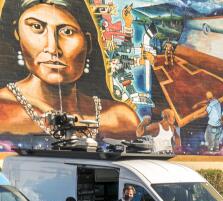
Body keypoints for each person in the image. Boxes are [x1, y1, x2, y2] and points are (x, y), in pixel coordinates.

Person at [0, 0, 140, 139]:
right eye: (37, 27)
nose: (53, 48)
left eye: (67, 31)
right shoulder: (4, 110)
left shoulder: (121, 119)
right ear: (17, 34)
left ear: (88, 43)